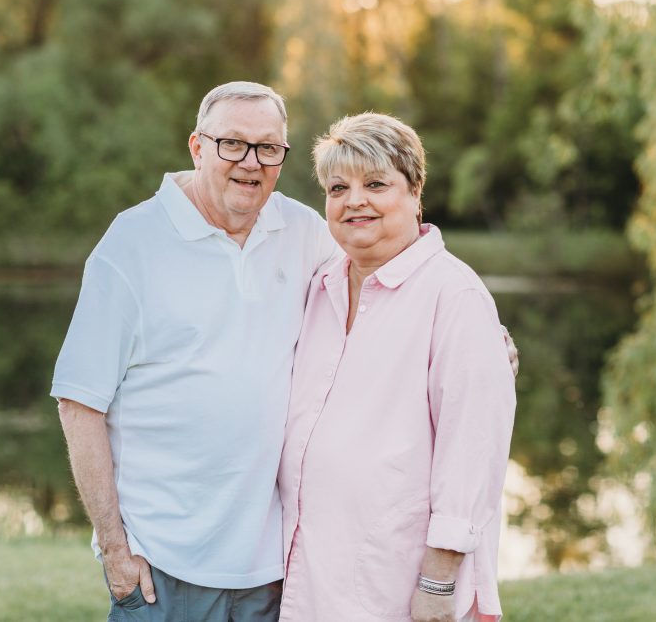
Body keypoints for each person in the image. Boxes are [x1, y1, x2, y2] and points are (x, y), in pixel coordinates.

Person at [51, 82, 518, 622]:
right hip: (166, 565)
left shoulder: (304, 234)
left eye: (268, 148)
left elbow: (467, 444)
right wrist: (113, 547)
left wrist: (487, 348)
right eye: (232, 144)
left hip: (277, 572)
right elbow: (78, 402)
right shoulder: (137, 245)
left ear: (416, 193)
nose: (250, 162)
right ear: (197, 147)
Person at [278, 113, 516, 622]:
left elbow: (473, 454)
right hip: (311, 579)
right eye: (338, 187)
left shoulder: (455, 297)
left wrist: (437, 582)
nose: (354, 200)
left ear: (414, 192)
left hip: (396, 583)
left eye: (376, 184)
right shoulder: (320, 287)